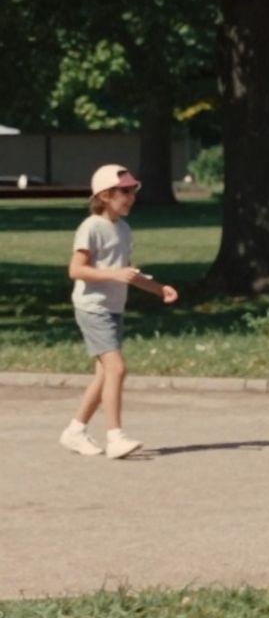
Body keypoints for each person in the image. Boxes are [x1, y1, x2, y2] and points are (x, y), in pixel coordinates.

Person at [59, 165, 178, 459]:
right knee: (117, 369)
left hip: (113, 309)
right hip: (92, 308)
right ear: (104, 195)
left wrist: (159, 288)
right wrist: (113, 274)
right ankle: (115, 438)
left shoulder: (123, 229)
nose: (131, 196)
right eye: (124, 191)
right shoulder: (92, 227)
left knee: (104, 375)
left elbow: (127, 273)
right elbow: (76, 270)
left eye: (133, 191)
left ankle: (75, 431)